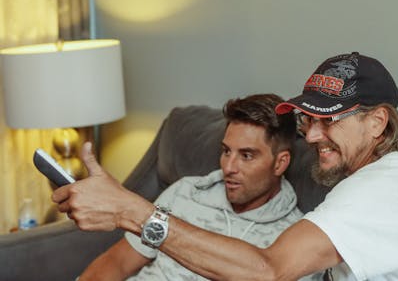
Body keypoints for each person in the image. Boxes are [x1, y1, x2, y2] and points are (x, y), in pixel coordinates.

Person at [54, 52, 398, 280]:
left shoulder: (392, 184)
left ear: (377, 122)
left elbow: (268, 271)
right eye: (310, 120)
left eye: (330, 121)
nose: (312, 135)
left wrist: (132, 210)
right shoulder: (387, 177)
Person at [75, 93, 319, 280]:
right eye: (226, 151)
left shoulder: (294, 241)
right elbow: (118, 261)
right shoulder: (186, 192)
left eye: (246, 156)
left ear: (280, 163)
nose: (229, 167)